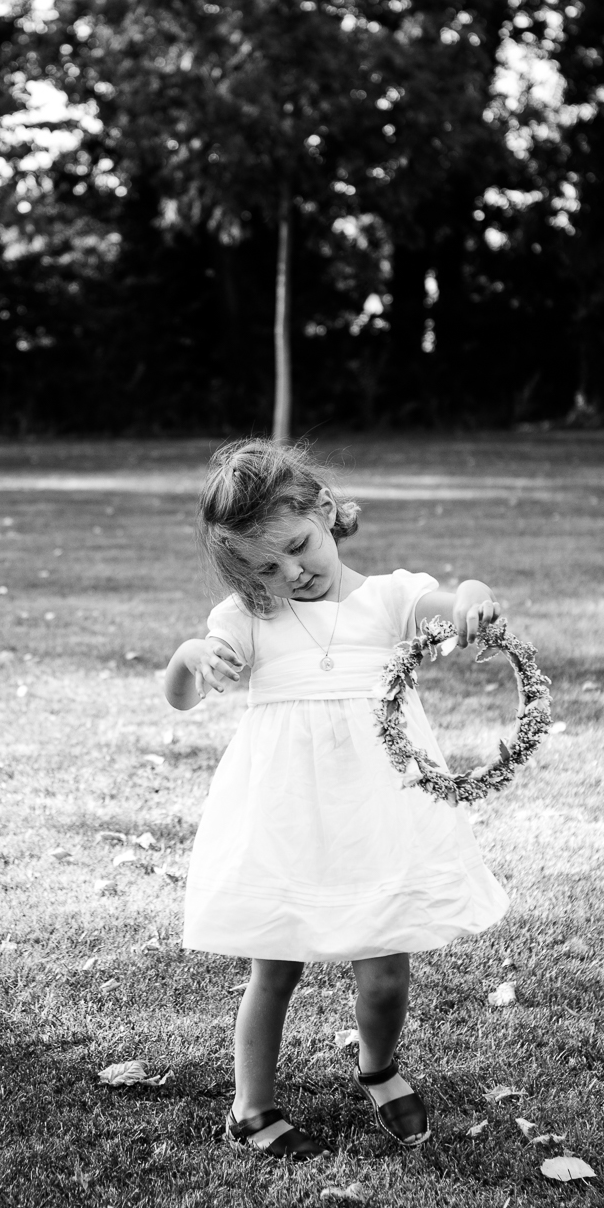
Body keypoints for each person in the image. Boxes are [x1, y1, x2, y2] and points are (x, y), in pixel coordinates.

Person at [164, 438, 511, 1160]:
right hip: (289, 815)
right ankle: (250, 1106)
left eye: (297, 547)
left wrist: (472, 595)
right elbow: (181, 694)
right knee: (276, 965)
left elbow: (447, 602)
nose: (292, 572)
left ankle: (378, 1067)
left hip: (377, 812)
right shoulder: (249, 618)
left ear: (324, 510)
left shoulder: (388, 599)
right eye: (266, 566)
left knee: (385, 966)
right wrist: (192, 660)